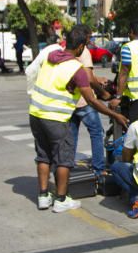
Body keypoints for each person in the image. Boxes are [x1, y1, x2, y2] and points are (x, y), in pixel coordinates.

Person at [30, 25, 128, 213]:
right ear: (81, 46)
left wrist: (103, 93)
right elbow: (91, 100)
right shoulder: (76, 68)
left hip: (35, 113)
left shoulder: (51, 58)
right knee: (64, 159)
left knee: (43, 156)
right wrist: (115, 114)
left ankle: (43, 196)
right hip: (56, 117)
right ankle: (61, 199)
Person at [69, 26, 114, 180]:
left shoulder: (67, 49)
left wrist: (98, 78)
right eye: (89, 37)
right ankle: (99, 169)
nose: (91, 40)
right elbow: (87, 77)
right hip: (84, 101)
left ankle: (69, 167)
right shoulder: (84, 51)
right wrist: (103, 93)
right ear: (84, 38)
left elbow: (86, 74)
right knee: (96, 133)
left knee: (72, 135)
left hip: (70, 101)